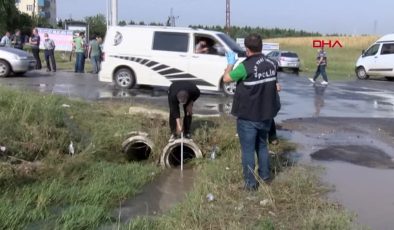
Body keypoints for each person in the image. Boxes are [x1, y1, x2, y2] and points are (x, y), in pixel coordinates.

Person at [223, 33, 280, 191]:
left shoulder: (244, 66)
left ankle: (250, 184)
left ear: (247, 49)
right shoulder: (272, 63)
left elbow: (226, 79)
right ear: (261, 47)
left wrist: (230, 63)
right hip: (266, 115)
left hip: (248, 116)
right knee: (262, 146)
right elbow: (275, 85)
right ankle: (265, 177)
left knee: (247, 150)